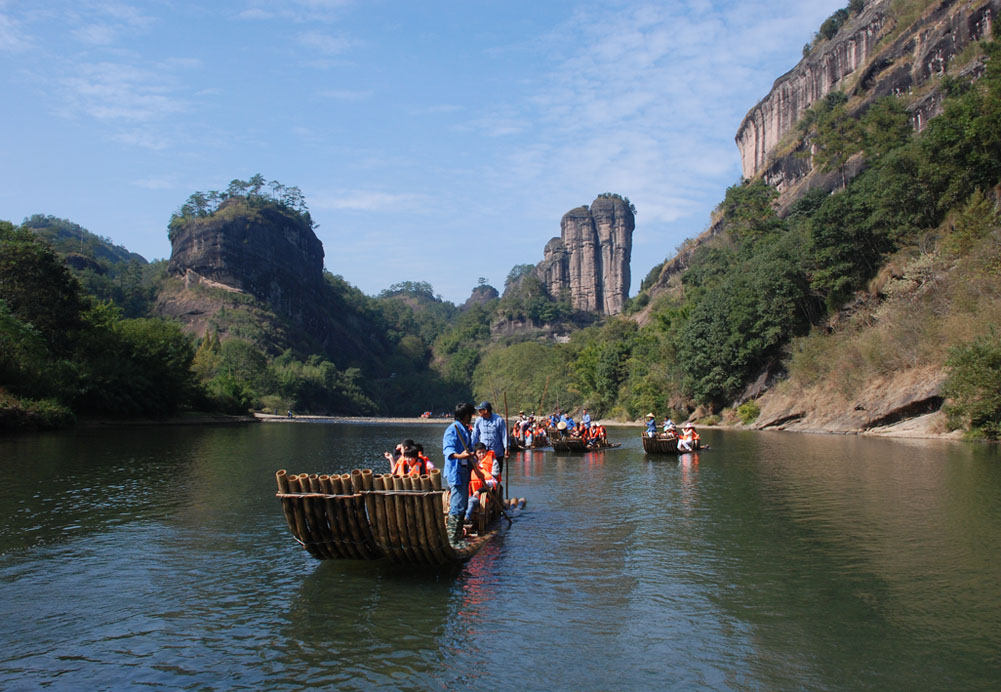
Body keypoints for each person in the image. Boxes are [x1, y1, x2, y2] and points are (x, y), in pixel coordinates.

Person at [442, 402, 476, 546]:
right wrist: (461, 456)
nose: (471, 418)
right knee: (456, 505)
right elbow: (448, 450)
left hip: (464, 471)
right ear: (466, 415)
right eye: (470, 415)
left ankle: (458, 537)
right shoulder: (453, 430)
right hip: (456, 472)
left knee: (462, 504)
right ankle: (452, 540)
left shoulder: (465, 430)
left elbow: (469, 450)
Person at [465, 442, 501, 526]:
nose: (482, 455)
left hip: (485, 492)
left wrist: (480, 490)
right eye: (479, 453)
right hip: (471, 490)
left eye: (483, 452)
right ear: (475, 454)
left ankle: (466, 518)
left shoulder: (493, 461)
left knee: (471, 501)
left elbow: (494, 480)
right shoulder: (473, 462)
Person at [471, 401, 507, 475]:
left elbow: (504, 435)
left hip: (497, 452)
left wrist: (507, 448)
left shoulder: (499, 420)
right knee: (484, 473)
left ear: (486, 410)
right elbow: (475, 435)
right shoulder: (478, 421)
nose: (478, 412)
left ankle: (496, 486)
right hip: (483, 454)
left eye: (480, 410)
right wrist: (473, 449)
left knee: (497, 474)